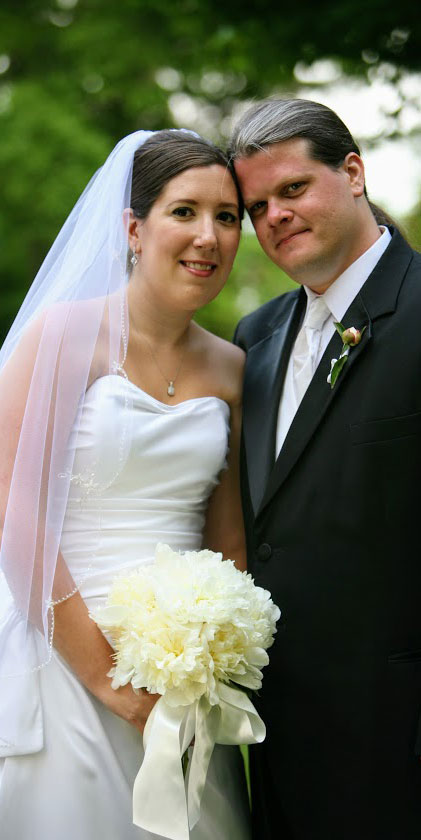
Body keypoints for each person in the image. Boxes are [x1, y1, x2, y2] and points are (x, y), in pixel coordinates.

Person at [0, 129, 252, 839]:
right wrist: (108, 680)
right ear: (132, 229)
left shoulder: (232, 368)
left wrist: (209, 663)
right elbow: (15, 514)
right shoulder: (63, 336)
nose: (208, 237)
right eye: (185, 212)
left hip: (183, 678)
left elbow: (225, 538)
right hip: (63, 656)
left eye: (227, 217)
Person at [229, 98, 421, 840]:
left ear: (352, 173)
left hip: (394, 743)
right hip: (276, 747)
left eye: (292, 190)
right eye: (255, 206)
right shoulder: (254, 335)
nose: (273, 215)